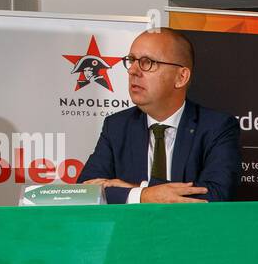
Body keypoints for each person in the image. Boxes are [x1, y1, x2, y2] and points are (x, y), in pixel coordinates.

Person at [79, 28, 241, 203]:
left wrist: (140, 190)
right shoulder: (117, 126)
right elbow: (85, 192)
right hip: (130, 230)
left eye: (147, 62)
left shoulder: (216, 127)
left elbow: (217, 195)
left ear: (181, 77)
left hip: (190, 230)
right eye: (132, 60)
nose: (133, 71)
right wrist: (143, 195)